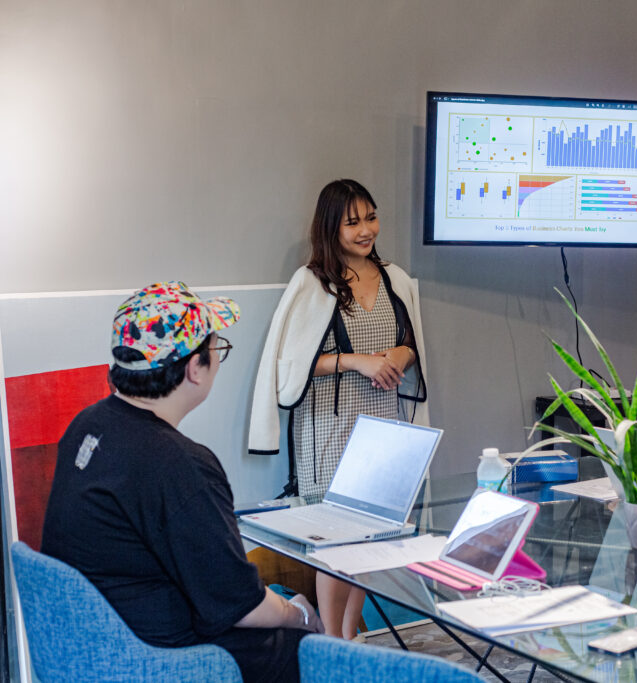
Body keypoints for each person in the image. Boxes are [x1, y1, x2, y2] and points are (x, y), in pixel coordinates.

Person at [41, 282, 323, 683]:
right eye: (216, 347)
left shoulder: (88, 424)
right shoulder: (180, 465)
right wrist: (301, 613)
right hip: (161, 656)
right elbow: (241, 607)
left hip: (94, 641)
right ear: (194, 368)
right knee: (313, 651)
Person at [249, 179, 428, 640]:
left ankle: (351, 637)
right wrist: (354, 361)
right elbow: (292, 365)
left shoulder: (395, 278)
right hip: (331, 426)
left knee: (367, 541)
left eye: (371, 217)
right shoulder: (311, 283)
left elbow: (410, 345)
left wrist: (399, 357)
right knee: (335, 542)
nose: (366, 230)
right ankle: (330, 641)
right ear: (331, 227)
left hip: (382, 424)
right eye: (353, 222)